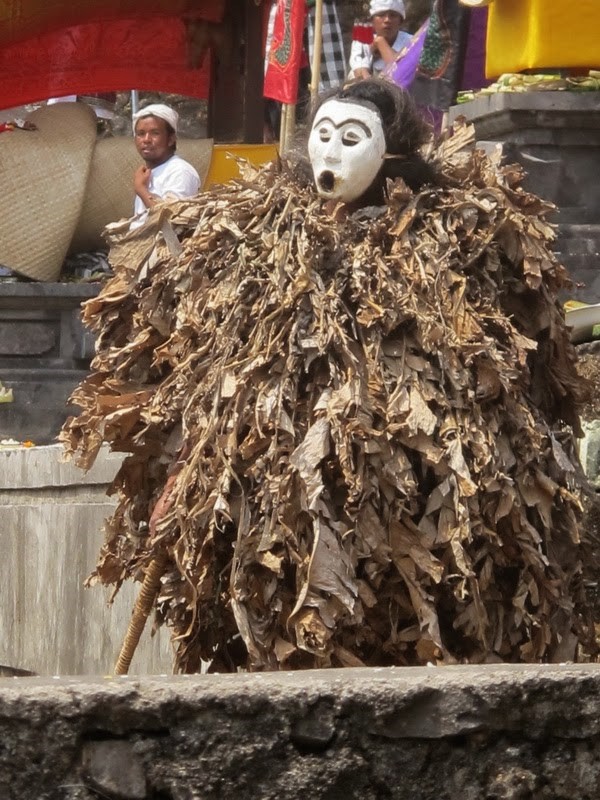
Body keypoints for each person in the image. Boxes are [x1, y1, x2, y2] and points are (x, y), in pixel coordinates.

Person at [130, 103, 200, 230]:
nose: (146, 139)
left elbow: (171, 221)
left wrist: (141, 189)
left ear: (171, 139)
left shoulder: (180, 171)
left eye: (155, 133)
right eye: (140, 133)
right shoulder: (147, 172)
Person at [348, 0, 412, 81]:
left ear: (401, 21)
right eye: (381, 15)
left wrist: (380, 43)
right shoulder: (362, 39)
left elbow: (400, 73)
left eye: (393, 15)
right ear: (372, 20)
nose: (387, 20)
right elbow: (360, 74)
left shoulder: (410, 42)